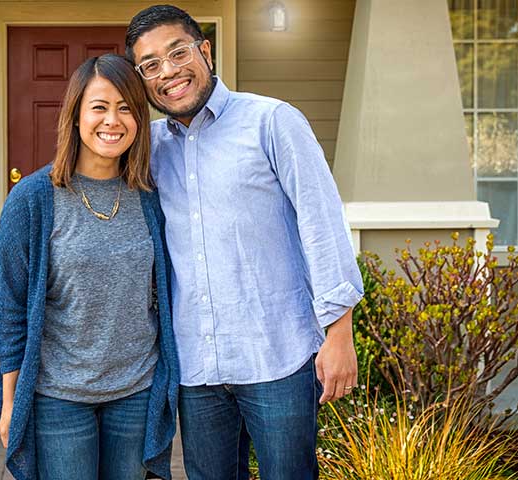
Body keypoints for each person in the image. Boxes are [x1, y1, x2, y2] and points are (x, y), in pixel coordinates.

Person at [125, 5, 365, 480]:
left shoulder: (272, 122)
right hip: (196, 367)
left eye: (178, 53)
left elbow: (321, 224)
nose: (168, 72)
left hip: (278, 354)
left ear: (205, 51)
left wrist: (339, 333)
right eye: (151, 65)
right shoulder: (147, 147)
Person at [0, 53, 179, 480]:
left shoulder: (149, 195)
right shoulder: (33, 199)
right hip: (58, 397)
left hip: (136, 392)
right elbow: (8, 307)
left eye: (126, 108)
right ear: (75, 116)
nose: (113, 120)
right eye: (100, 107)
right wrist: (12, 401)